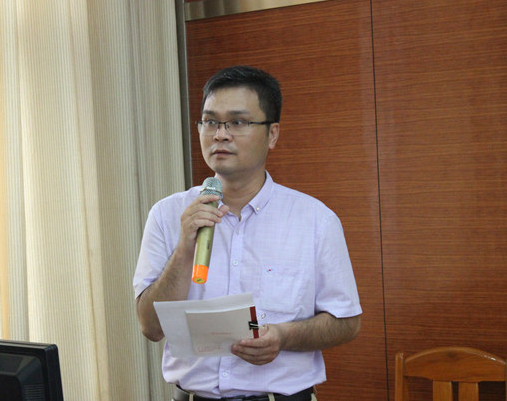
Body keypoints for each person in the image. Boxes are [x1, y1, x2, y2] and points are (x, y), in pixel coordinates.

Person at [133, 66, 362, 401]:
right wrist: (184, 248)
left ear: (272, 134)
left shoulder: (315, 220)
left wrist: (282, 336)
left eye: (237, 122)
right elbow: (150, 328)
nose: (220, 135)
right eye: (210, 122)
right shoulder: (167, 215)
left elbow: (346, 322)